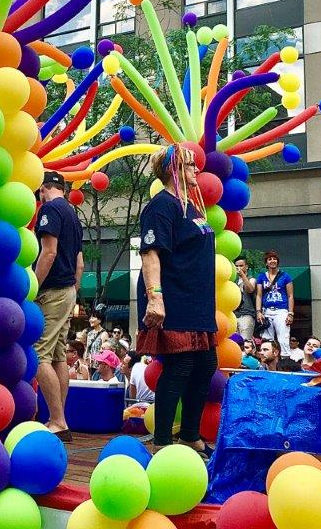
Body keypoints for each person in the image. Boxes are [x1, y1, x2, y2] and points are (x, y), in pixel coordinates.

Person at [138, 144, 217, 456]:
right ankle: (161, 442)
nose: (195, 170)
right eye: (188, 166)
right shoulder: (162, 206)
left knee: (206, 364)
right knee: (180, 365)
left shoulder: (193, 209)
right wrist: (155, 298)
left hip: (198, 302)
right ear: (173, 171)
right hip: (175, 298)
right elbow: (150, 253)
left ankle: (189, 434)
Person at [32, 170, 84, 442]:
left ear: (43, 189)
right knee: (59, 355)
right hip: (67, 291)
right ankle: (60, 417)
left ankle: (57, 420)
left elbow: (48, 252)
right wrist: (73, 290)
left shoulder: (49, 210)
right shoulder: (73, 214)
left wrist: (33, 287)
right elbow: (80, 262)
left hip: (51, 291)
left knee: (39, 354)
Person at [254, 251, 294, 355]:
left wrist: (290, 313)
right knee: (267, 340)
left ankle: (285, 361)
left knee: (283, 339)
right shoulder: (261, 277)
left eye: (274, 259)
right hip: (266, 311)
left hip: (281, 310)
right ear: (266, 263)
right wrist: (258, 312)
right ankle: (267, 362)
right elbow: (259, 295)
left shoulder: (285, 276)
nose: (272, 261)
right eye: (270, 259)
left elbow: (290, 296)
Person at [232, 256, 258, 341]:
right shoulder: (233, 281)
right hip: (234, 315)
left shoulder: (251, 279)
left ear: (246, 266)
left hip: (247, 315)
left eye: (241, 265)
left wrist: (243, 275)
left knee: (245, 341)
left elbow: (250, 289)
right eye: (236, 266)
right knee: (234, 341)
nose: (238, 268)